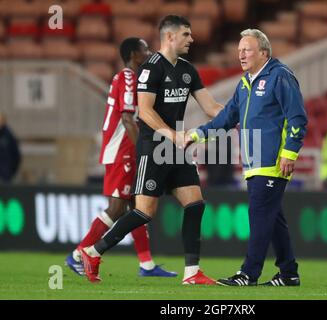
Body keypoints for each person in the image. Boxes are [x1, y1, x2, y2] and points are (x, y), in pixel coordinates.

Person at [79, 16, 223, 284]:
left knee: (195, 204)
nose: (191, 39)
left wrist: (239, 114)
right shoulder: (151, 69)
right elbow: (144, 111)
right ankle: (93, 251)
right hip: (154, 147)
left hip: (176, 148)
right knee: (144, 212)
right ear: (169, 37)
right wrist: (171, 134)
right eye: (186, 34)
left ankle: (192, 274)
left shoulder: (188, 70)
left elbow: (211, 107)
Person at [186, 29, 307, 286]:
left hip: (272, 160)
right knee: (272, 218)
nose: (241, 54)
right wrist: (197, 135)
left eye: (247, 49)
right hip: (253, 163)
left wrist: (289, 152)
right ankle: (289, 273)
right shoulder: (244, 83)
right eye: (239, 49)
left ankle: (248, 273)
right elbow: (226, 118)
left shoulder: (280, 76)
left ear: (263, 52)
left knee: (259, 214)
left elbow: (297, 116)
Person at [65, 38, 177, 279]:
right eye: (145, 49)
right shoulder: (127, 77)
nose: (148, 53)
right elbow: (127, 119)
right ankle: (77, 255)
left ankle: (146, 265)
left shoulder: (136, 80)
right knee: (117, 208)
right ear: (134, 54)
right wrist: (142, 151)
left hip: (125, 150)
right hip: (122, 151)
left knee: (137, 207)